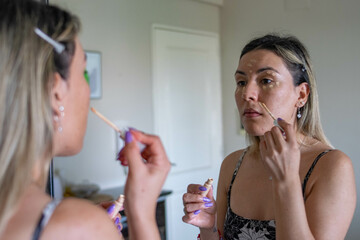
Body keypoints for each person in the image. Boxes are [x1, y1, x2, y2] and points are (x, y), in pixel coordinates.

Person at [0, 0, 170, 239]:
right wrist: (140, 212)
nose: (88, 89)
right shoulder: (78, 227)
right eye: (83, 73)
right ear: (55, 91)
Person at [182, 34, 356, 239]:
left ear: (301, 95)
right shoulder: (232, 165)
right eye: (241, 82)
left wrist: (286, 181)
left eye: (266, 80)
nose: (247, 94)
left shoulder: (331, 167)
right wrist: (208, 227)